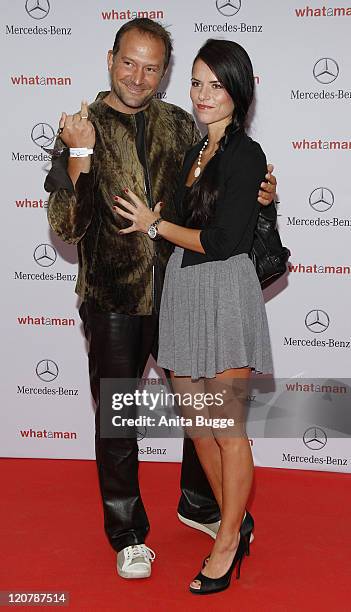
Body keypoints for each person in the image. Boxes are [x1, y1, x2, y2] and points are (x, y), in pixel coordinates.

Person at [44, 19, 276, 580]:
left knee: (201, 411)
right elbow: (66, 225)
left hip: (183, 294)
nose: (138, 76)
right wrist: (78, 157)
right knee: (120, 420)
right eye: (129, 62)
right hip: (115, 299)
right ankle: (126, 532)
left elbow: (213, 203)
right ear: (110, 58)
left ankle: (203, 507)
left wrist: (260, 193)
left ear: (164, 73)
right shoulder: (82, 126)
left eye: (152, 68)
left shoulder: (181, 125)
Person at [113, 38, 274, 594]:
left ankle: (226, 543)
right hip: (182, 291)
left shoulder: (247, 156)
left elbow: (226, 240)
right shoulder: (192, 153)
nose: (204, 95)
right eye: (197, 83)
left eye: (216, 84)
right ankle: (235, 518)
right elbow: (186, 223)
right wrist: (155, 217)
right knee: (200, 428)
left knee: (227, 430)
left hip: (224, 295)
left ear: (239, 92)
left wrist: (154, 226)